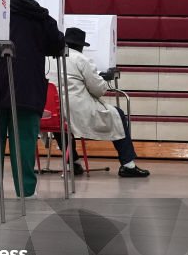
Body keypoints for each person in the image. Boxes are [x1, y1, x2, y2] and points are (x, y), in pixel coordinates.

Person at [0, 0, 66, 198]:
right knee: (24, 140)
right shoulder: (41, 16)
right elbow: (57, 45)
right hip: (28, 87)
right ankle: (25, 190)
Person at [58, 27, 150, 178]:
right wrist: (102, 80)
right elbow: (98, 89)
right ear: (81, 46)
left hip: (54, 111)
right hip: (78, 109)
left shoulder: (50, 58)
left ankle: (73, 162)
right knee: (118, 114)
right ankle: (128, 164)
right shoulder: (82, 59)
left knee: (61, 123)